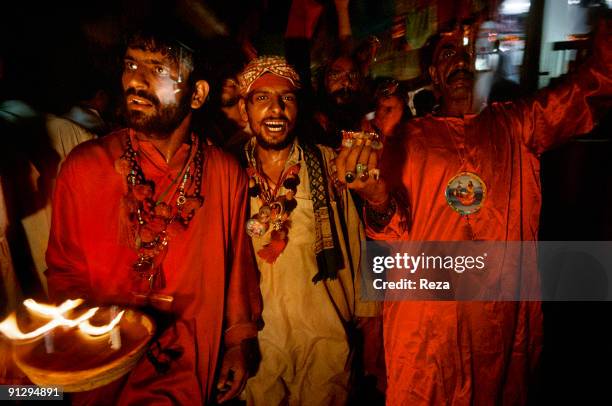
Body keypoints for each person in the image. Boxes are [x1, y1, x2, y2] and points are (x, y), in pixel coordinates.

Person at [335, 19, 611, 405]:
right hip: (430, 322)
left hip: (496, 320)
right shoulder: (407, 138)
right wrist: (377, 200)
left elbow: (587, 91)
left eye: (466, 54)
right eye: (448, 55)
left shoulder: (515, 124)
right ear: (433, 75)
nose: (460, 61)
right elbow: (388, 232)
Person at [45, 25, 262, 405]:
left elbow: (237, 268)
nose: (136, 80)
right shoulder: (85, 167)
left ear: (197, 94)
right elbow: (64, 272)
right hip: (106, 375)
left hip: (190, 370)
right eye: (131, 64)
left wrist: (238, 340)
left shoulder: (224, 173)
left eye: (159, 69)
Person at [236, 56, 380, 405]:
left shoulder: (331, 163)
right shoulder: (229, 175)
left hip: (326, 334)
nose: (276, 109)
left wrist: (369, 313)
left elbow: (358, 238)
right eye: (262, 98)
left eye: (287, 98)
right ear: (244, 111)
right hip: (260, 344)